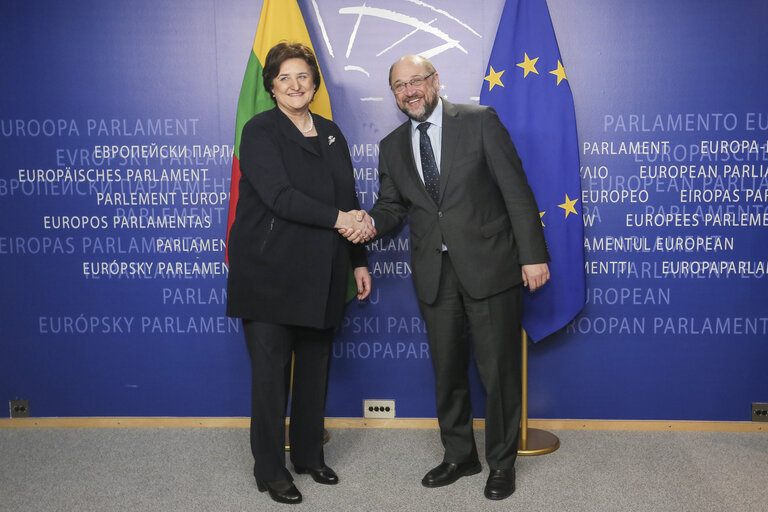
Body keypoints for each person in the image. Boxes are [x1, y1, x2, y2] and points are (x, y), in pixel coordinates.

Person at [343, 55, 550, 501]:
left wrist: (533, 256)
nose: (409, 91)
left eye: (416, 80)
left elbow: (516, 190)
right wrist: (369, 224)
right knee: (447, 369)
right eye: (399, 86)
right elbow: (393, 208)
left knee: (497, 372)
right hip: (434, 274)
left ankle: (501, 462)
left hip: (490, 265)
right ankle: (460, 455)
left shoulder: (479, 121)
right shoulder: (392, 146)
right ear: (394, 95)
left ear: (436, 81)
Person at [226, 42, 373, 505]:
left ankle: (309, 456)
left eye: (304, 77)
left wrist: (358, 261)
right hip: (269, 273)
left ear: (314, 84)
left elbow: (347, 196)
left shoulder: (331, 132)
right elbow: (280, 196)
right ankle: (270, 470)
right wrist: (342, 220)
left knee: (315, 369)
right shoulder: (259, 131)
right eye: (285, 77)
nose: (295, 85)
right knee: (271, 378)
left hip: (324, 271)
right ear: (271, 85)